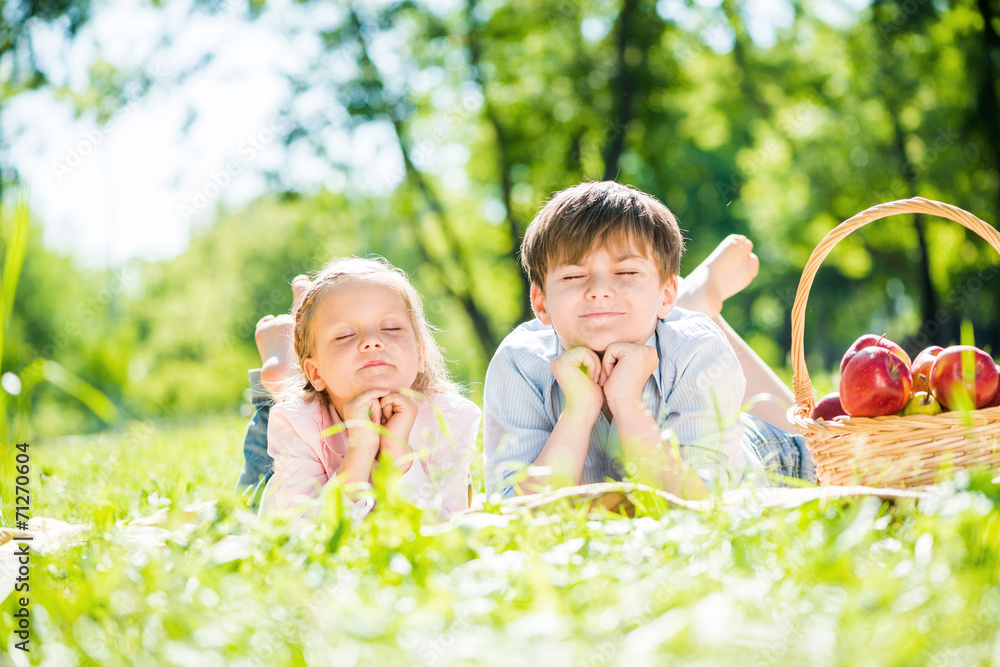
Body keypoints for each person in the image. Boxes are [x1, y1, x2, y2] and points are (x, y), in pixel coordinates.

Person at [483, 180, 815, 500]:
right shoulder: (519, 362)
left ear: (665, 293)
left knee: (818, 439)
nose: (599, 289)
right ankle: (693, 302)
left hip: (764, 455)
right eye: (573, 275)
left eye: (626, 272)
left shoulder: (696, 350)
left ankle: (695, 304)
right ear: (541, 303)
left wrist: (628, 403)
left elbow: (699, 507)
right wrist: (580, 409)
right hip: (669, 350)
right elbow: (516, 514)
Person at [238, 257, 481, 521]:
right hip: (299, 424)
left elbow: (445, 531)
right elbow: (298, 534)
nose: (372, 341)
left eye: (391, 327)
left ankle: (290, 354)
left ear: (421, 353)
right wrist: (360, 449)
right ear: (316, 373)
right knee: (245, 515)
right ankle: (286, 361)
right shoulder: (296, 423)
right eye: (344, 335)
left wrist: (396, 452)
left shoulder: (451, 418)